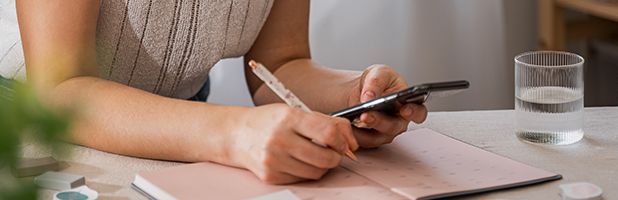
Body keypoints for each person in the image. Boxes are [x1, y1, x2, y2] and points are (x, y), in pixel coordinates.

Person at [16, 0, 427, 184]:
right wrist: (235, 134)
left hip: (172, 144)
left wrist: (354, 95)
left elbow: (280, 64)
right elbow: (60, 90)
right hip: (26, 145)